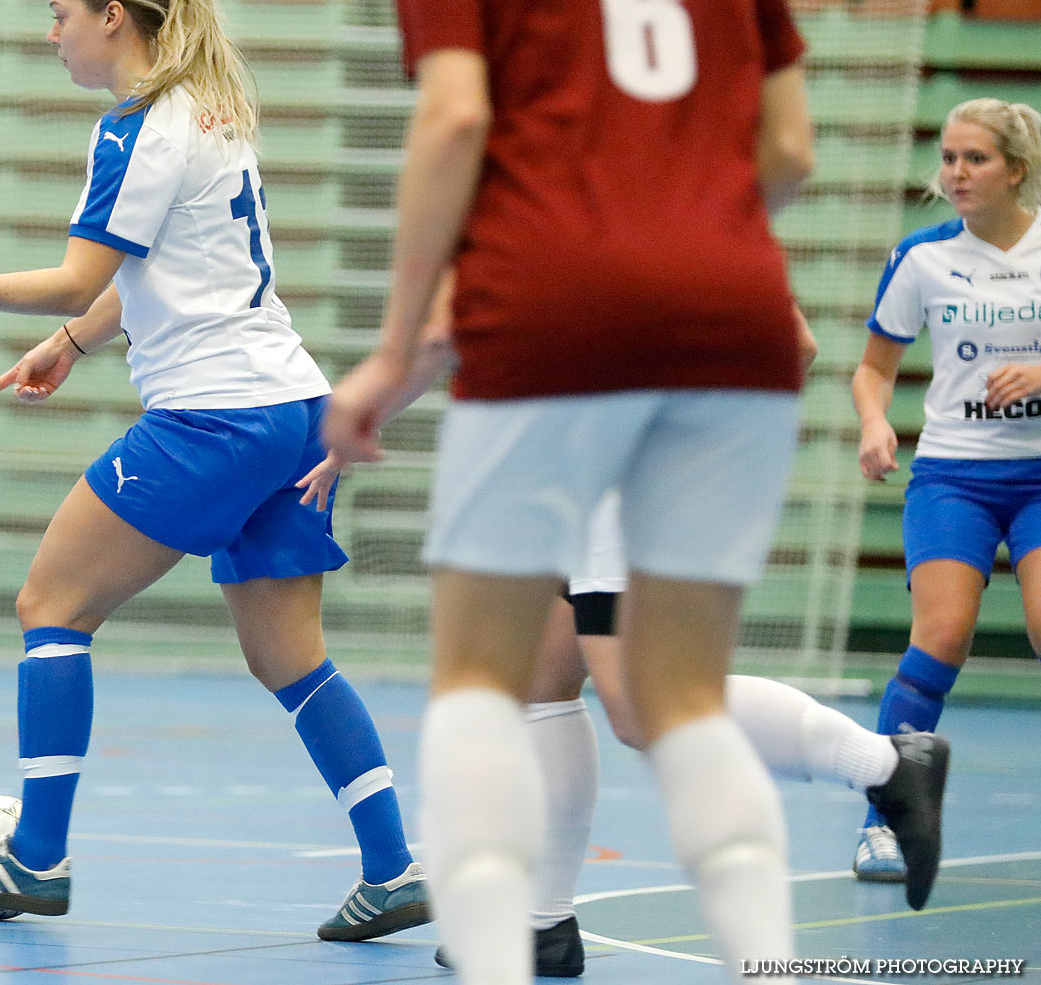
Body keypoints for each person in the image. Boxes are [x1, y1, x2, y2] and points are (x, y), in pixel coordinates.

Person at [324, 0, 819, 978]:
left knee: (481, 683)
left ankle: (497, 958)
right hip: (737, 311)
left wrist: (395, 350)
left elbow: (454, 118)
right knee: (681, 697)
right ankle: (770, 963)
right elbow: (790, 148)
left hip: (557, 304)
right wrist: (685, 235)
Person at [0, 0, 428, 940]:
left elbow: (82, 272)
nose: (53, 34)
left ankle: (35, 859)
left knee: (52, 601)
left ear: (113, 18)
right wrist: (72, 346)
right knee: (290, 659)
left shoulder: (136, 127)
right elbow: (154, 278)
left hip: (212, 417)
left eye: (60, 14)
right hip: (292, 411)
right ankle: (392, 868)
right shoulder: (212, 109)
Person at [299, 289, 949, 976]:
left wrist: (355, 420)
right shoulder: (659, 203)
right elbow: (796, 344)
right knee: (543, 680)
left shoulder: (554, 210)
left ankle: (884, 764)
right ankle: (543, 925)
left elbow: (436, 336)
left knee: (644, 706)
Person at [852, 96, 1041, 884]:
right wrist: (874, 423)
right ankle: (881, 823)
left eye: (975, 159)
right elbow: (873, 368)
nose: (955, 173)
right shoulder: (922, 257)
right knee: (942, 637)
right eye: (949, 157)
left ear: (1016, 171)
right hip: (954, 476)